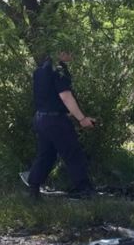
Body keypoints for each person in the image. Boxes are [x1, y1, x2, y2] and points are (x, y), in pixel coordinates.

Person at [27, 50, 96, 199]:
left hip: (41, 118)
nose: (73, 54)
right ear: (59, 52)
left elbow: (49, 97)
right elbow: (65, 96)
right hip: (56, 121)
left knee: (46, 155)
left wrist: (73, 113)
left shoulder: (40, 70)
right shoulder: (59, 70)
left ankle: (33, 187)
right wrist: (82, 119)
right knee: (73, 153)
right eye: (69, 51)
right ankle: (85, 190)